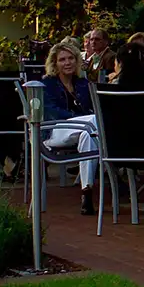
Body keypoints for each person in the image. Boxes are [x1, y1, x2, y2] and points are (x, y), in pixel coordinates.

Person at [39, 42, 101, 214]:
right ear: (54, 63)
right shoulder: (47, 84)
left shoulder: (82, 83)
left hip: (83, 129)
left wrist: (84, 120)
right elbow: (51, 112)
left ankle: (86, 191)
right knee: (93, 122)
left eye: (71, 58)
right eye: (62, 60)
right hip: (55, 130)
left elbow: (93, 106)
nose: (67, 63)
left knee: (87, 136)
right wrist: (78, 118)